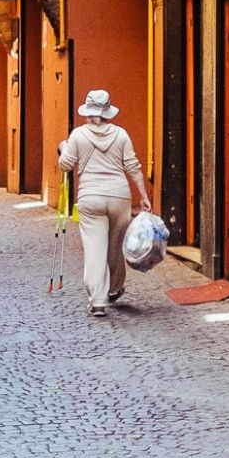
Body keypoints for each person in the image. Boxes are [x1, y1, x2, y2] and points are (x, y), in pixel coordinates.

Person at [59, 89, 150, 317]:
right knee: (116, 248)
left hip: (91, 198)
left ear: (88, 111)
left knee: (95, 249)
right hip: (120, 197)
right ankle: (116, 287)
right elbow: (133, 166)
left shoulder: (78, 135)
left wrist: (63, 148)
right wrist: (144, 196)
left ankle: (98, 301)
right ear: (108, 111)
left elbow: (65, 165)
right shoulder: (121, 135)